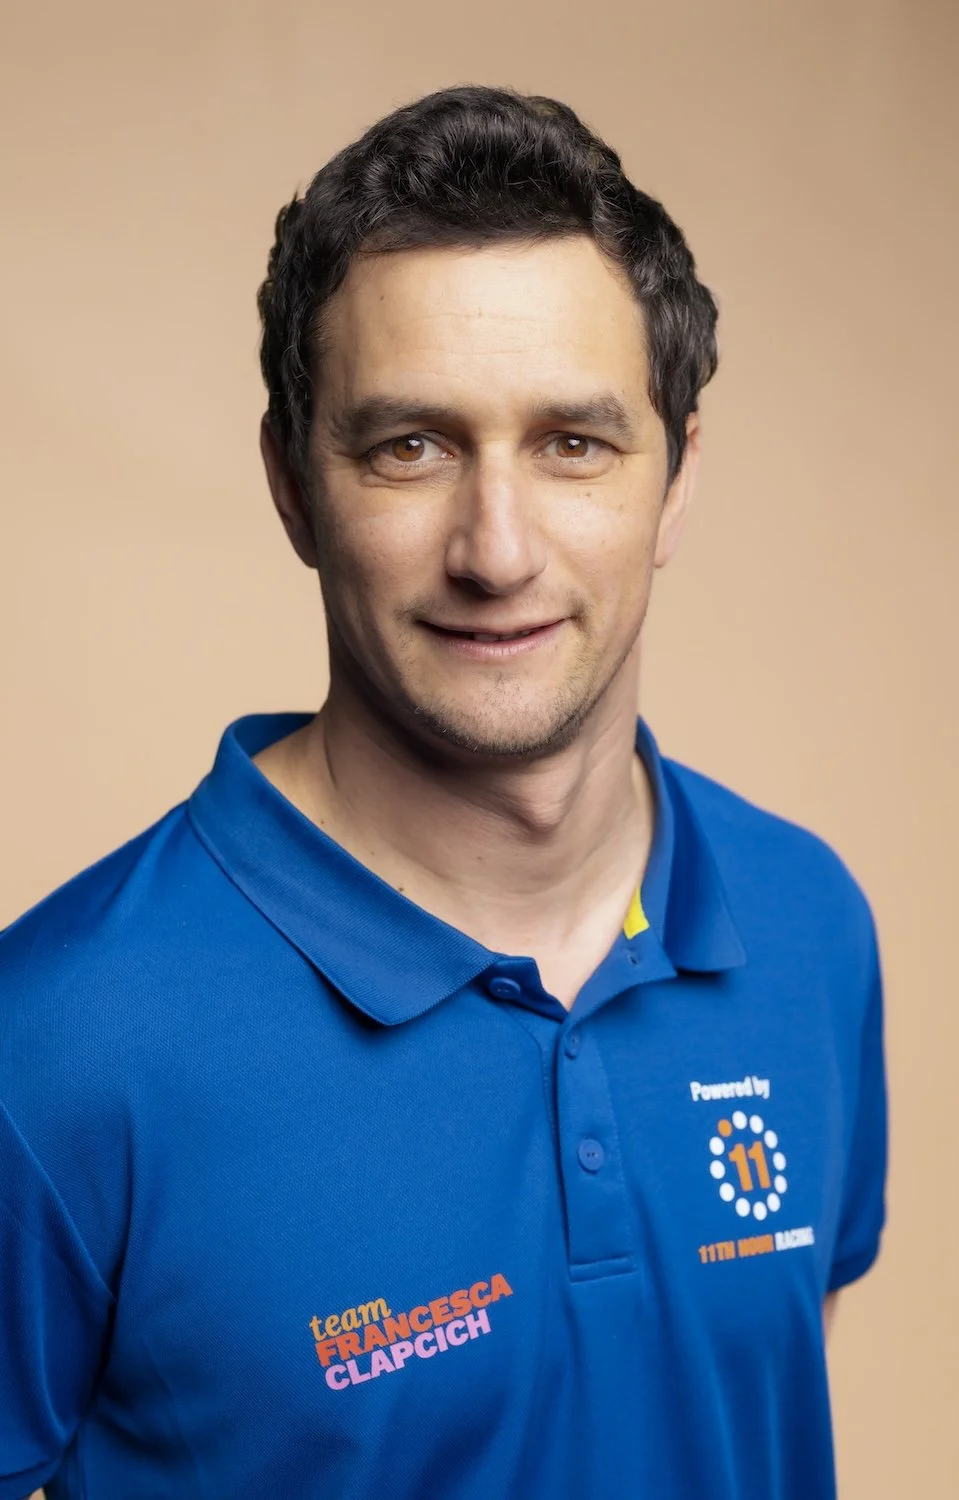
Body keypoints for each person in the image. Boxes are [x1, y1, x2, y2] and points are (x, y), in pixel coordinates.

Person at [0, 84, 887, 1500]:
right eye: (409, 446)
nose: (497, 547)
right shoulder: (51, 1049)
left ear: (676, 482)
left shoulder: (806, 926)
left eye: (573, 445)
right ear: (294, 485)